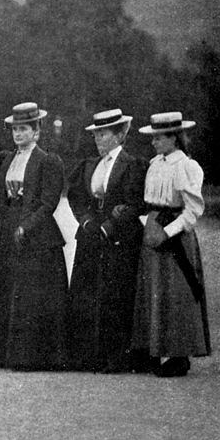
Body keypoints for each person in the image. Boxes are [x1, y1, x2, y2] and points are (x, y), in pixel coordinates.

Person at [0, 102, 68, 371]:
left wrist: (27, 226)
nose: (18, 134)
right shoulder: (7, 160)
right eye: (15, 129)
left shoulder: (48, 161)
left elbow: (48, 203)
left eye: (24, 129)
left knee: (30, 294)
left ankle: (31, 356)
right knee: (7, 288)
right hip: (9, 227)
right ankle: (2, 353)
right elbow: (2, 197)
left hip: (37, 235)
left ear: (36, 131)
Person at [65, 109, 147, 373]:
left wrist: (110, 226)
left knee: (116, 295)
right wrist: (87, 221)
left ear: (119, 135)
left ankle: (117, 357)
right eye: (96, 134)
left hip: (119, 237)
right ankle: (88, 356)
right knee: (87, 293)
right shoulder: (89, 165)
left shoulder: (132, 164)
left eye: (104, 134)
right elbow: (77, 197)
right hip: (91, 235)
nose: (98, 139)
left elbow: (136, 203)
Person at [130, 112, 211, 378]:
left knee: (176, 295)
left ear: (173, 138)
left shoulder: (187, 166)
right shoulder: (155, 164)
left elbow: (193, 209)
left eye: (158, 137)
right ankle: (153, 350)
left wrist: (168, 232)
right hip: (153, 232)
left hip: (174, 237)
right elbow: (149, 202)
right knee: (154, 291)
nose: (153, 142)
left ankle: (179, 355)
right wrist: (148, 225)